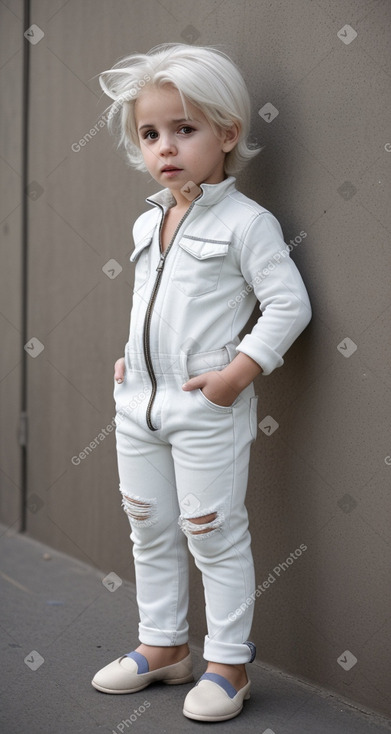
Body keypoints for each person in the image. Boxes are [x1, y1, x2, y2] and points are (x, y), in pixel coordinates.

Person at [91, 43, 311, 722]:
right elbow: (152, 305)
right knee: (148, 526)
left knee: (211, 532)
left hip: (204, 408)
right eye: (150, 133)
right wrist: (132, 361)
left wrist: (236, 374)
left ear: (226, 134)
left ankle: (227, 664)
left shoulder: (246, 223)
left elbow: (288, 304)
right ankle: (162, 648)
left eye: (183, 130)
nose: (165, 147)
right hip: (138, 405)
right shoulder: (147, 219)